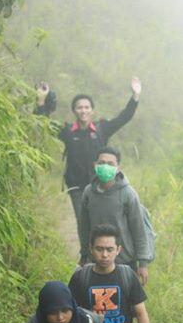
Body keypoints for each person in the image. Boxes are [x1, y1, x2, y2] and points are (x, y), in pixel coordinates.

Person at [35, 78, 142, 222]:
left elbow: (124, 117)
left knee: (101, 222)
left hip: (99, 184)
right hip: (76, 187)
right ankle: (85, 246)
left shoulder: (102, 129)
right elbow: (44, 124)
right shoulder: (68, 131)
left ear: (92, 110)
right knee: (83, 223)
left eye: (87, 107)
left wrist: (135, 96)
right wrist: (41, 100)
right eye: (79, 107)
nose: (83, 110)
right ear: (74, 110)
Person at [77, 146, 150, 285]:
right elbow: (84, 227)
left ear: (118, 167)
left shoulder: (128, 193)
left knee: (127, 303)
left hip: (124, 261)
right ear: (95, 165)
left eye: (110, 164)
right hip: (96, 260)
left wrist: (143, 264)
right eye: (101, 163)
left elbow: (138, 230)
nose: (105, 166)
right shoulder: (88, 193)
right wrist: (84, 254)